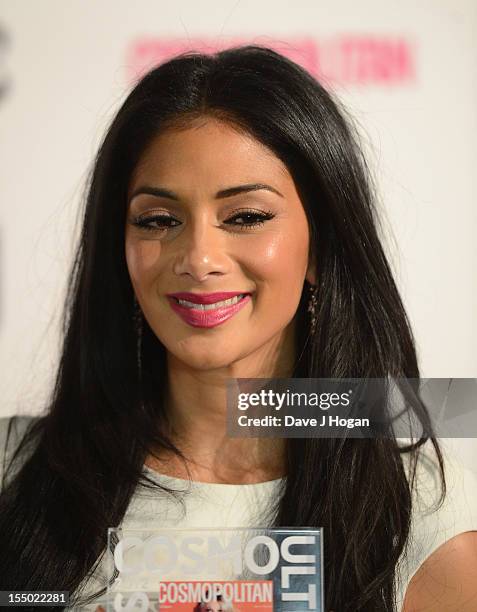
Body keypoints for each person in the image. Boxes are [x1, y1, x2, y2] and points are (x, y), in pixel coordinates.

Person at [0, 45, 476, 612]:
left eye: (245, 217)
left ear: (320, 245)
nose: (199, 257)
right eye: (159, 220)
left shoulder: (421, 519)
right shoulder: (14, 468)